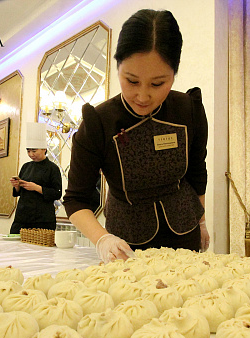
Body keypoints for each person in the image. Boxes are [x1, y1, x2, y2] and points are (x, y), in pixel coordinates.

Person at [63, 9, 209, 263]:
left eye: (157, 84)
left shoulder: (189, 109)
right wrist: (102, 239)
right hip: (126, 241)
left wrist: (201, 221)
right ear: (118, 67)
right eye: (131, 81)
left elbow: (197, 173)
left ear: (174, 73)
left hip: (184, 232)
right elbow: (76, 199)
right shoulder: (99, 122)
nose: (142, 96)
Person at [9, 122, 62, 234]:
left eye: (34, 151)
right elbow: (19, 193)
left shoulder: (52, 168)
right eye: (28, 151)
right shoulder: (26, 166)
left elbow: (57, 193)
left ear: (44, 149)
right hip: (22, 216)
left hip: (42, 218)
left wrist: (37, 188)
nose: (31, 154)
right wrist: (17, 186)